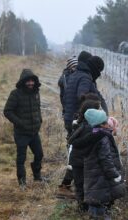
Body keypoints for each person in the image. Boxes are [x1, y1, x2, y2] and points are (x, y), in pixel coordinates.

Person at [82, 109, 125, 219]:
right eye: (105, 122)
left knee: (96, 204)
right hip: (100, 179)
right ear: (100, 124)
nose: (108, 124)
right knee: (100, 207)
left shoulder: (91, 133)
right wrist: (115, 175)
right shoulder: (103, 138)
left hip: (94, 178)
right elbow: (106, 160)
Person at [4, 69, 43, 187]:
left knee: (39, 154)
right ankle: (22, 182)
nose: (31, 83)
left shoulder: (36, 92)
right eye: (28, 81)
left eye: (32, 81)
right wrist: (20, 123)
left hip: (34, 132)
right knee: (21, 158)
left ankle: (37, 176)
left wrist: (39, 120)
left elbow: (38, 108)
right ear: (23, 82)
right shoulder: (15, 94)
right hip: (21, 133)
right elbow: (7, 111)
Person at [63, 51, 108, 136]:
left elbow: (65, 97)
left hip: (70, 118)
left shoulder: (75, 75)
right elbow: (82, 96)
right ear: (95, 70)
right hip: (78, 121)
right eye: (99, 72)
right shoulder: (85, 78)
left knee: (75, 146)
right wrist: (100, 115)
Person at [56, 56, 78, 199]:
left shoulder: (70, 78)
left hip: (71, 117)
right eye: (74, 66)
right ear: (70, 67)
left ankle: (68, 184)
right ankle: (66, 185)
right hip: (72, 118)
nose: (76, 68)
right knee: (75, 149)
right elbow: (68, 101)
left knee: (74, 148)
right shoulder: (68, 80)